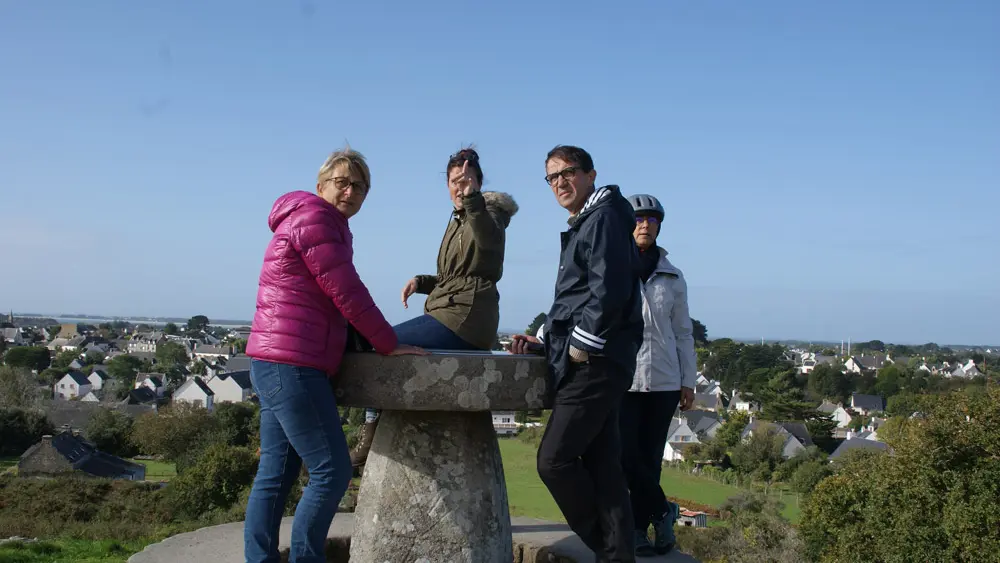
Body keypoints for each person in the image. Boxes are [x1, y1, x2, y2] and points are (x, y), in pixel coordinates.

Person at [244, 147, 426, 563]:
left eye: (359, 187)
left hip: (274, 361)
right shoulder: (316, 219)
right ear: (320, 185)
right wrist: (387, 342)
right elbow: (347, 291)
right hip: (292, 364)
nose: (350, 192)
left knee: (276, 473)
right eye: (342, 182)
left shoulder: (311, 219)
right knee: (332, 471)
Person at [511, 145, 644, 563]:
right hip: (604, 359)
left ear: (590, 175)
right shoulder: (594, 219)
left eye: (567, 172)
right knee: (604, 465)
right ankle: (617, 555)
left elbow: (609, 290)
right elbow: (577, 297)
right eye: (551, 177)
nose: (559, 183)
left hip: (595, 362)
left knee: (553, 461)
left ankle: (606, 547)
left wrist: (579, 348)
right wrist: (546, 339)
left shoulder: (603, 218)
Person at [349, 147, 519, 468]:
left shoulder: (489, 215)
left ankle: (370, 432)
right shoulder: (458, 218)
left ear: (478, 183)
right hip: (448, 310)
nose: (459, 187)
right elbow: (457, 275)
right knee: (372, 339)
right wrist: (422, 281)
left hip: (466, 317)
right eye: (454, 181)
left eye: (466, 180)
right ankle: (373, 425)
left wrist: (473, 199)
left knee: (376, 342)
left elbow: (488, 246)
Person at [619, 193, 698, 557]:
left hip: (665, 381)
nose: (645, 225)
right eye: (638, 219)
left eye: (652, 220)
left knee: (650, 459)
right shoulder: (613, 267)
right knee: (625, 455)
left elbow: (683, 332)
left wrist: (688, 381)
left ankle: (638, 529)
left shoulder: (673, 276)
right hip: (625, 377)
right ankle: (664, 511)